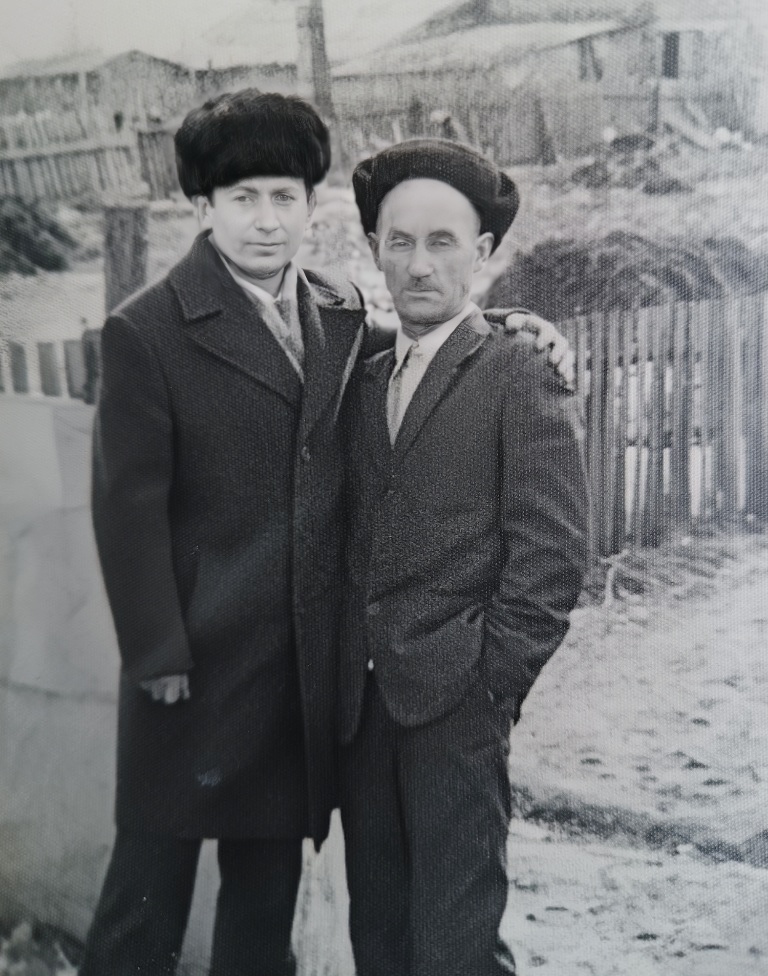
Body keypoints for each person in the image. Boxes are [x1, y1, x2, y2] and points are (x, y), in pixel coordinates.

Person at [82, 91, 570, 976]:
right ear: (201, 206)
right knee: (145, 901)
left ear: (313, 206)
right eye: (242, 199)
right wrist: (157, 654)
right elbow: (125, 506)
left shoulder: (336, 313)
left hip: (295, 680)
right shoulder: (147, 330)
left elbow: (432, 339)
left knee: (264, 906)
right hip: (191, 669)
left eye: (285, 197)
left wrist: (514, 327)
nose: (266, 221)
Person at [338, 138, 591, 976]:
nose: (419, 264)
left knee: (455, 941)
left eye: (442, 242)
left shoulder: (519, 370)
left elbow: (553, 556)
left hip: (458, 705)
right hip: (364, 711)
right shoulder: (364, 373)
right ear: (374, 248)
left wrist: (489, 687)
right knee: (379, 934)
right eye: (400, 242)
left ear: (481, 252)